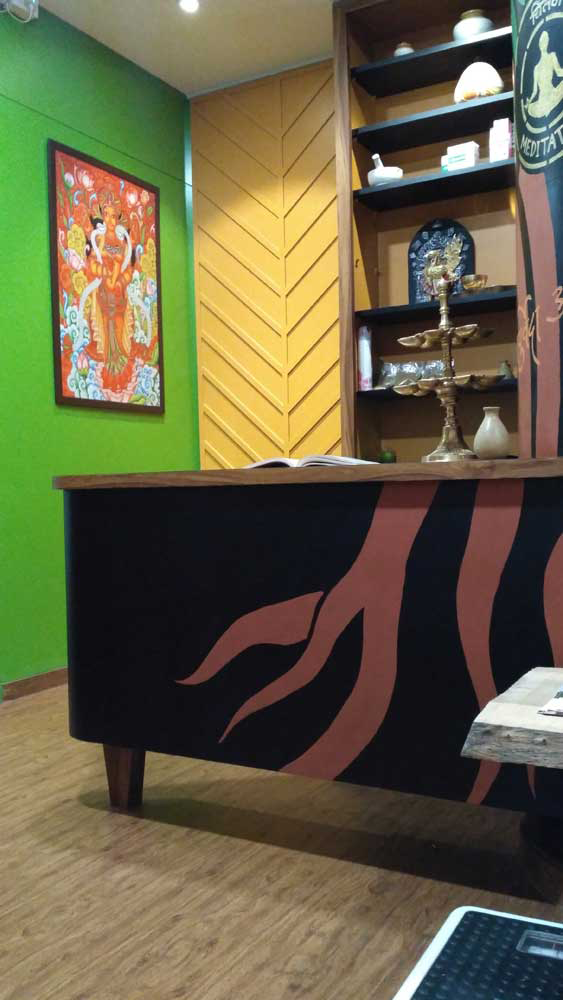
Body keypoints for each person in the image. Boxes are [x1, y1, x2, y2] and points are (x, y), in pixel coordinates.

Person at [526, 29, 563, 119]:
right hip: (543, 100)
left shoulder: (551, 56)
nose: (543, 44)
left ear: (547, 42)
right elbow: (535, 90)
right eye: (542, 41)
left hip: (551, 93)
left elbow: (559, 72)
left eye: (545, 41)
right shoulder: (537, 67)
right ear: (539, 44)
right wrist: (529, 103)